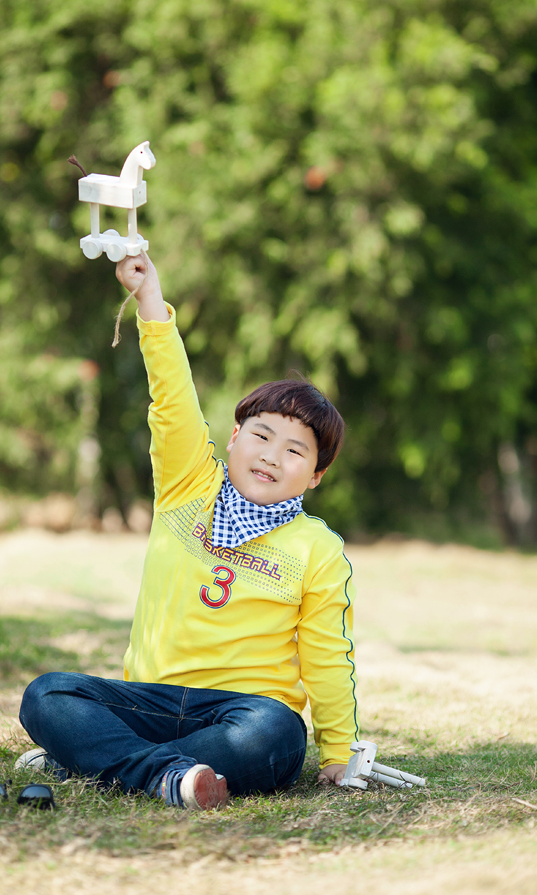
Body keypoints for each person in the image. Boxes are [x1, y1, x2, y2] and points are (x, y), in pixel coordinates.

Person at [18, 253, 357, 810]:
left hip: (243, 714)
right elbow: (172, 398)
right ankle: (168, 775)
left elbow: (327, 653)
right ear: (233, 437)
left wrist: (339, 750)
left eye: (295, 451)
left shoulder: (318, 549)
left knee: (276, 735)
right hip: (147, 699)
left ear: (316, 475)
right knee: (47, 694)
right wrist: (149, 298)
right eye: (262, 436)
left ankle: (99, 760)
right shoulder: (188, 486)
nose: (272, 457)